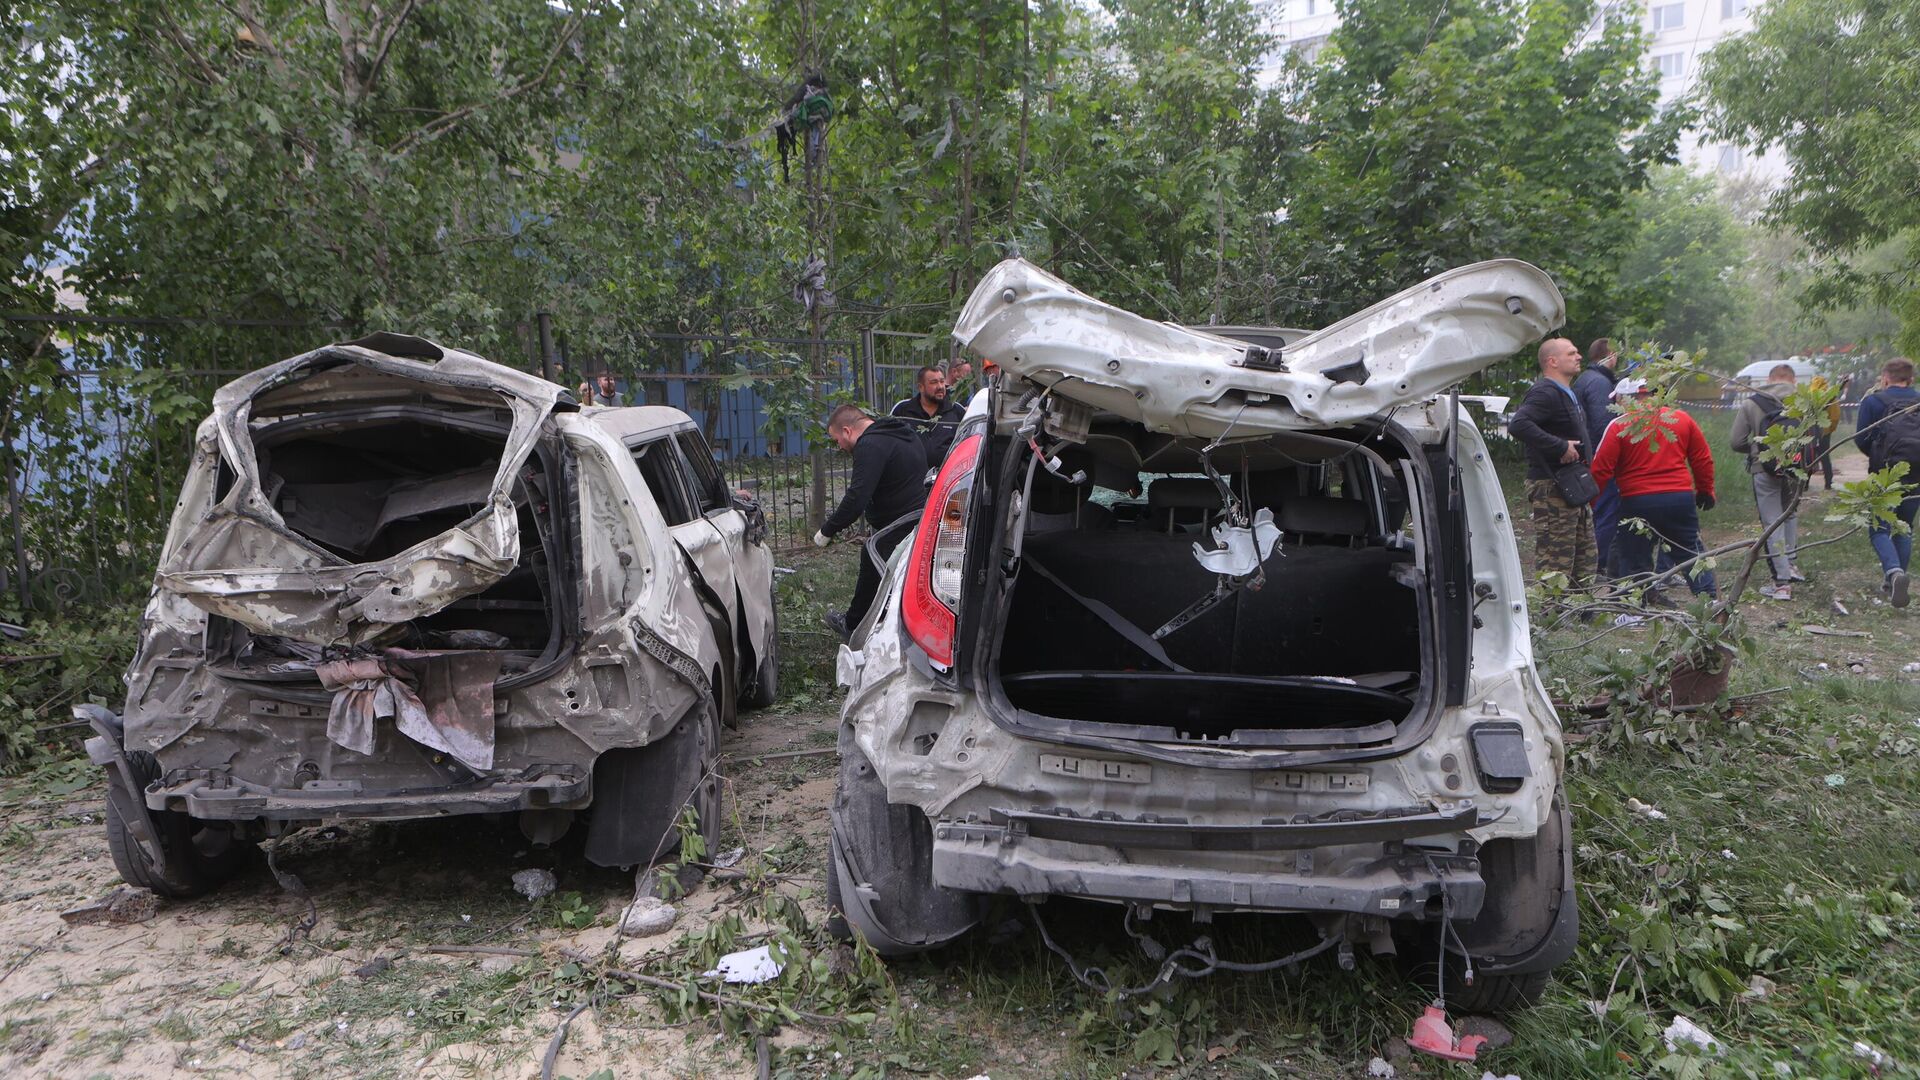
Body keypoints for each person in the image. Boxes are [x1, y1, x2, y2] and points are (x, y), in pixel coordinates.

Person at [1589, 380, 1717, 601]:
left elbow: (1600, 469)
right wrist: (1705, 490)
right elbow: (1702, 458)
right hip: (1679, 498)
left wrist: (1591, 504)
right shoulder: (1681, 418)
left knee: (1633, 554)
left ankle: (1632, 609)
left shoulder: (1620, 424)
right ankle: (1711, 602)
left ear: (1626, 398)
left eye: (1617, 399)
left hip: (1637, 500)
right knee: (1689, 550)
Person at [814, 404, 930, 640]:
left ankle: (853, 625)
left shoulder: (870, 445)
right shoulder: (900, 432)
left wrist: (827, 531)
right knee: (892, 570)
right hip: (920, 516)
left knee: (873, 554)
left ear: (847, 431)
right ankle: (885, 616)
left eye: (837, 440)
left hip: (903, 522)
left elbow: (856, 498)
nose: (839, 446)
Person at [1508, 338, 1594, 593]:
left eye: (1578, 351)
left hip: (1572, 484)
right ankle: (1551, 613)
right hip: (1551, 487)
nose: (1579, 356)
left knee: (1585, 552)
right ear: (1552, 361)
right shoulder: (1545, 392)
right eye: (1572, 353)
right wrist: (1559, 446)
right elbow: (1519, 424)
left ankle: (1581, 609)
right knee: (1556, 555)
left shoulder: (1567, 393)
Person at [1730, 363, 1805, 600]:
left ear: (1770, 379)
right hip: (1796, 468)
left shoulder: (1752, 402)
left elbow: (1736, 441)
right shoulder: (1805, 402)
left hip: (1763, 468)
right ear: (1792, 380)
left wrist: (1758, 448)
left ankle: (1781, 584)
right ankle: (1791, 564)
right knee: (1790, 514)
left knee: (1772, 522)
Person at [1853, 356, 1920, 607]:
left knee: (1879, 527)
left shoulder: (1874, 400)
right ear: (1911, 379)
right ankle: (1893, 582)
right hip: (1917, 473)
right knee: (1904, 526)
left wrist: (1877, 454)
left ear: (1885, 377)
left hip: (1884, 473)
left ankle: (1894, 573)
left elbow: (1861, 438)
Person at [1573, 338, 1624, 575]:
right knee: (1606, 511)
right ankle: (1599, 563)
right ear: (1610, 355)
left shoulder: (1585, 379)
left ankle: (1593, 562)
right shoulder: (1600, 384)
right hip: (1599, 458)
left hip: (1587, 455)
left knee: (1595, 513)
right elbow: (1605, 423)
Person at [889, 365, 966, 463]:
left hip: (948, 476)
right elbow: (889, 443)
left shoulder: (956, 410)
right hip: (911, 475)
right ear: (921, 387)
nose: (940, 387)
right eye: (933, 382)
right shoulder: (902, 410)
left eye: (942, 381)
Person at [1807, 374, 1844, 490]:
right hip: (1825, 431)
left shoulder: (1808, 395)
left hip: (1809, 431)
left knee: (1809, 456)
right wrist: (1830, 428)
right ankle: (1828, 483)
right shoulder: (1831, 396)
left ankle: (1805, 484)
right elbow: (1835, 415)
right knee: (1825, 457)